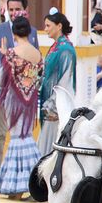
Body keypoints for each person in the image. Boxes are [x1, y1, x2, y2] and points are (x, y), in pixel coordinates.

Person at [0, 0, 37, 173]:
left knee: (21, 135)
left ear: (25, 10)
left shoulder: (32, 32)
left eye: (17, 9)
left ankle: (19, 174)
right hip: (0, 92)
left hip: (22, 96)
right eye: (10, 9)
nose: (13, 13)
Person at [0, 17, 42, 198]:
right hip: (31, 101)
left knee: (17, 138)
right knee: (25, 136)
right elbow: (35, 78)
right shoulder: (36, 53)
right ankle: (31, 181)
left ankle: (18, 185)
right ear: (29, 31)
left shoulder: (12, 53)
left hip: (14, 100)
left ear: (14, 33)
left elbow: (1, 79)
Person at [36, 13, 76, 157]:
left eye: (48, 26)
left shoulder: (65, 50)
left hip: (55, 108)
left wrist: (53, 105)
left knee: (50, 147)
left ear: (59, 26)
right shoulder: (56, 47)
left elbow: (64, 81)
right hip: (50, 102)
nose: (45, 29)